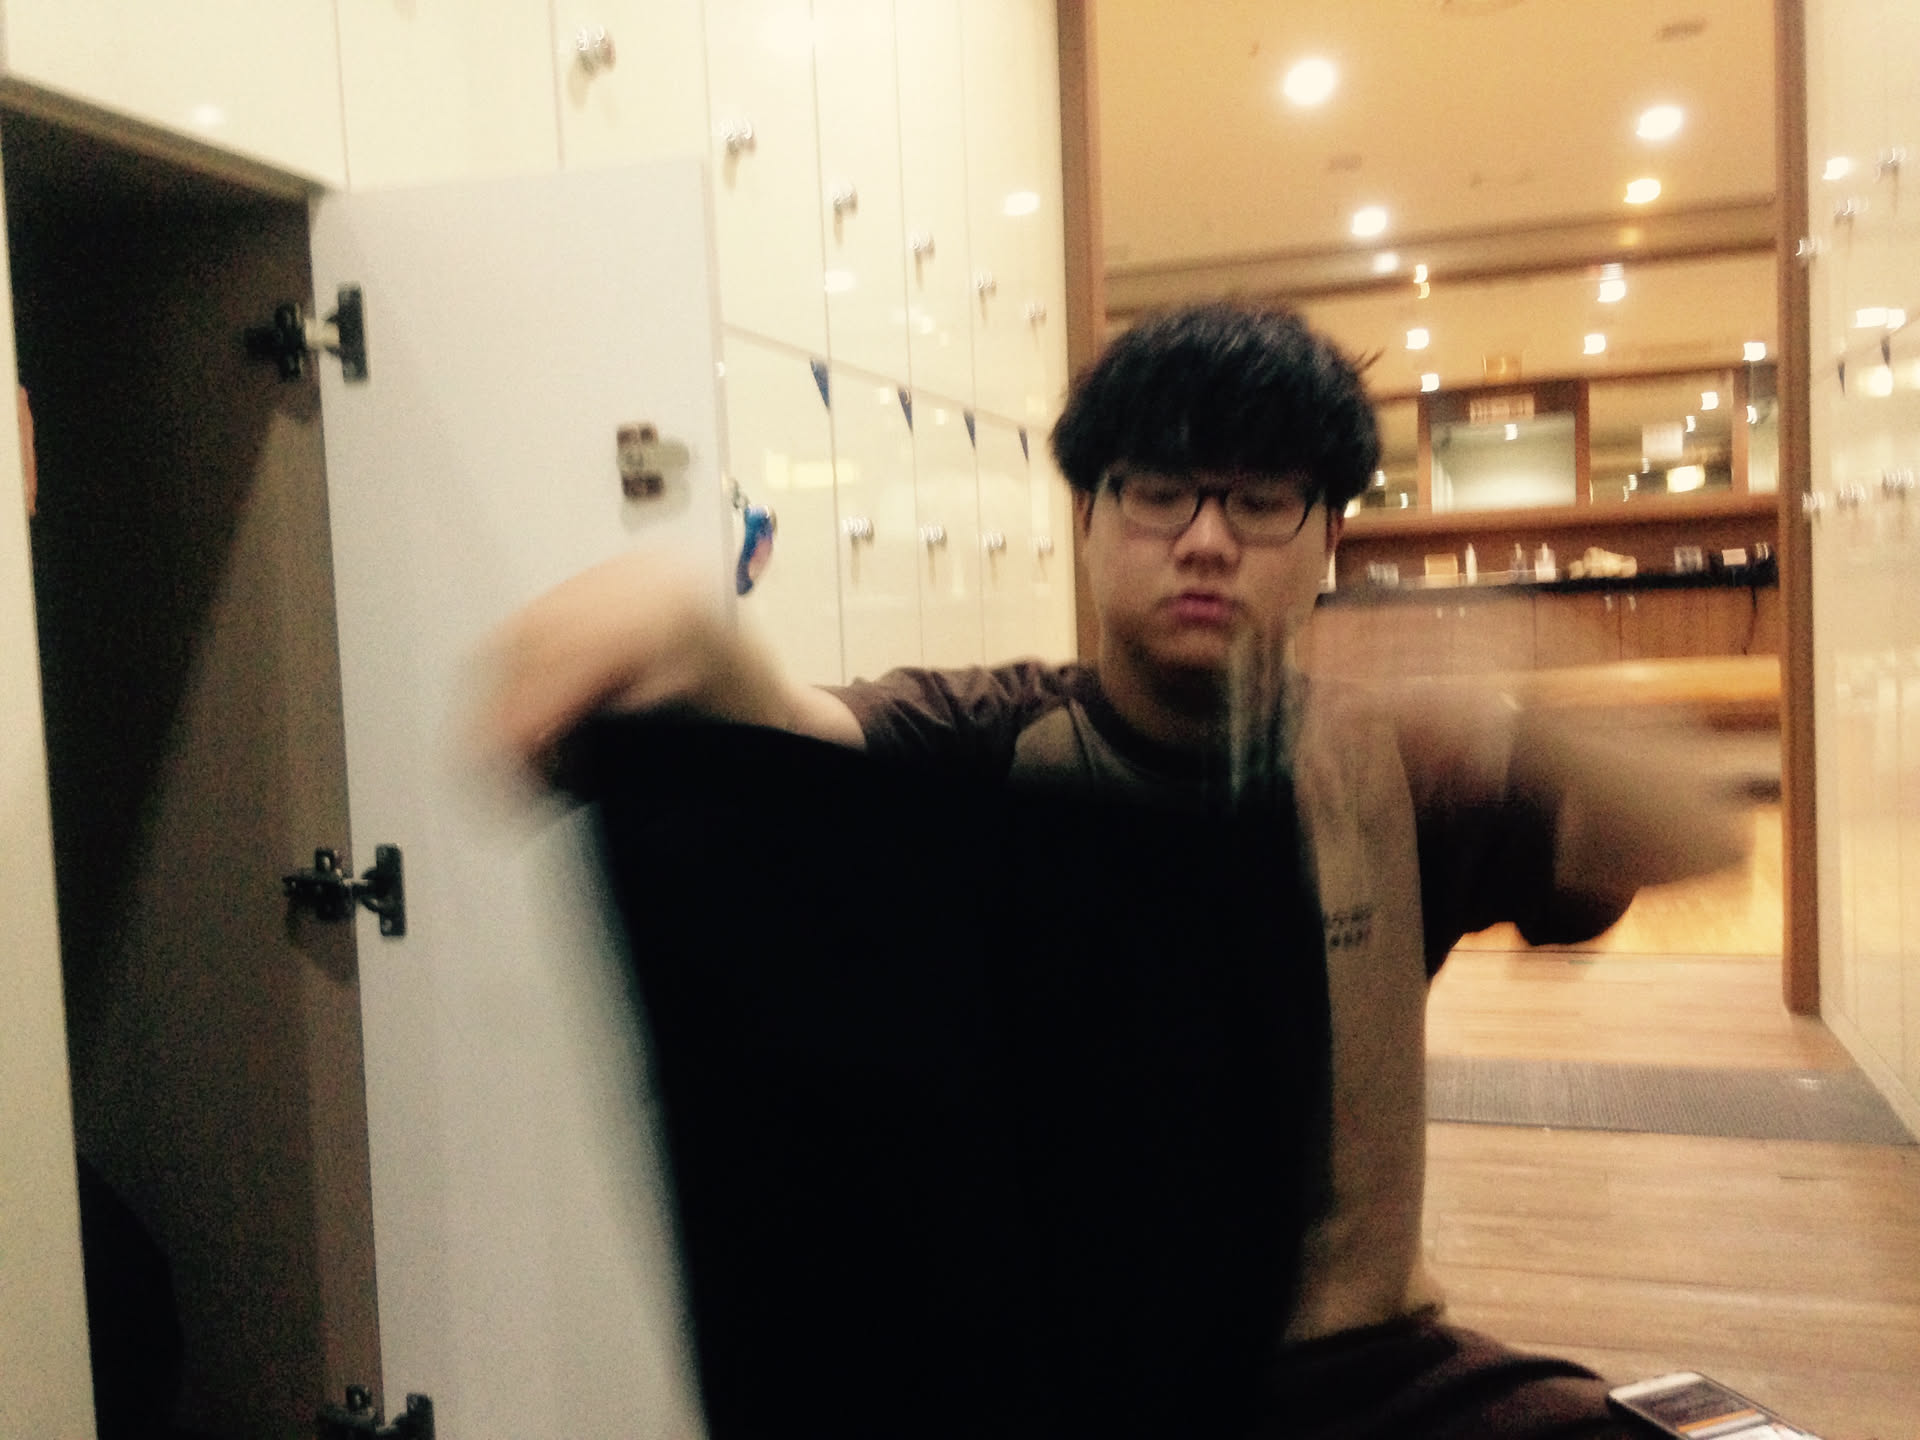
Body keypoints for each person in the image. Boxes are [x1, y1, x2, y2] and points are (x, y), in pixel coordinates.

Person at [480, 302, 1747, 1438]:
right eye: (1156, 492)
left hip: (1353, 1367)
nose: (1206, 540)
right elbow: (794, 735)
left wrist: (1522, 701)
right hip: (1053, 1379)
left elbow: (1698, 836)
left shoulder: (1392, 769)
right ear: (1087, 517)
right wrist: (691, 633)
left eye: (1260, 499)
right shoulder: (985, 740)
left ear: (1328, 537)